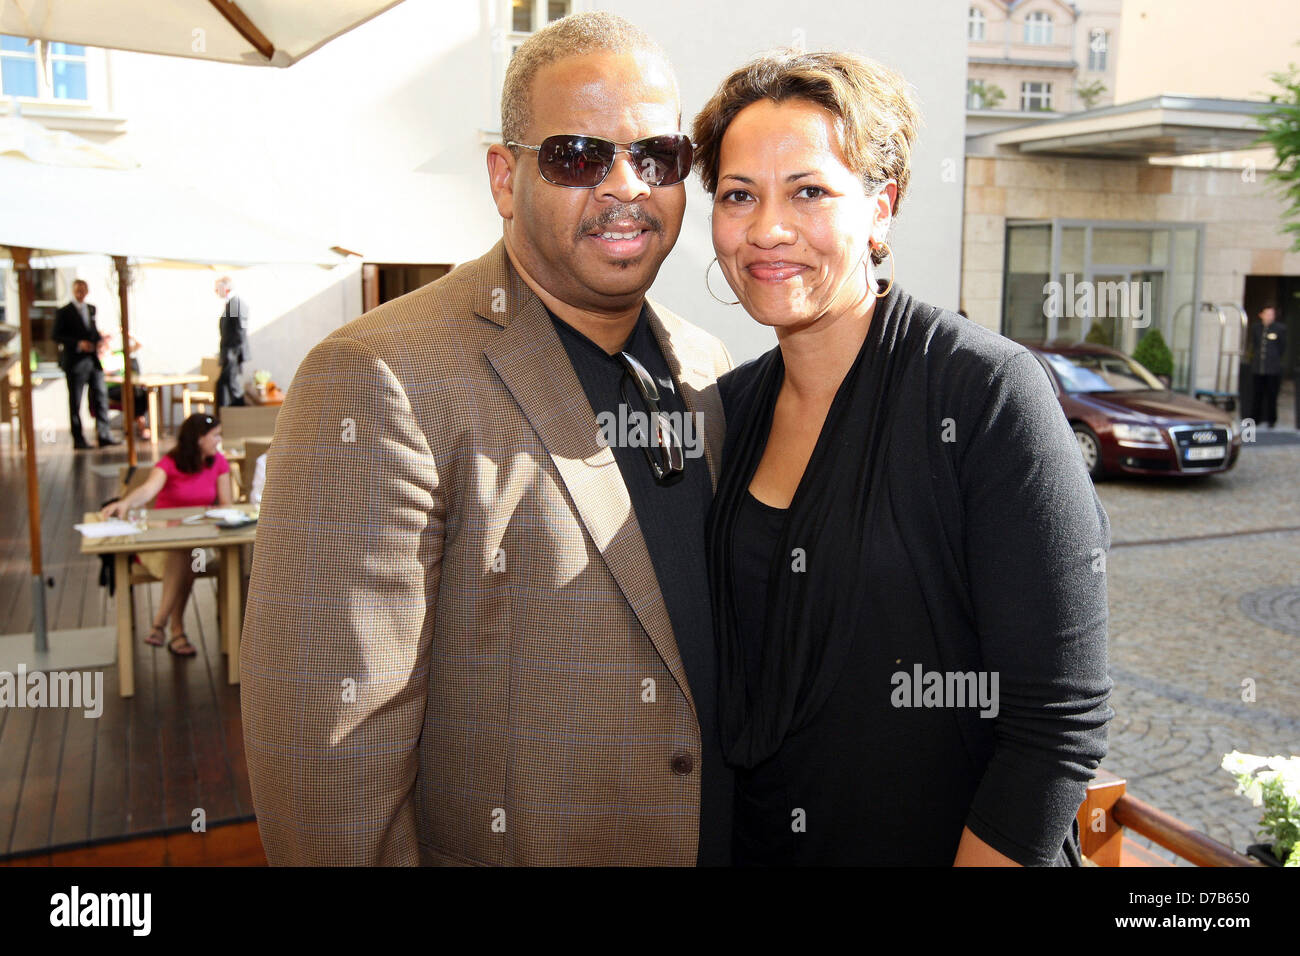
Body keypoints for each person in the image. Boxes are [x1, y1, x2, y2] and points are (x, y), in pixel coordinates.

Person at [241, 12, 734, 866]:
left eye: (658, 156)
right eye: (579, 157)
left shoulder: (707, 363)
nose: (627, 186)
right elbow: (327, 772)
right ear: (506, 178)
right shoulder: (379, 375)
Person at [693, 50, 1112, 866]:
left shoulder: (984, 394)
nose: (767, 228)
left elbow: (1056, 726)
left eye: (809, 191)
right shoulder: (730, 408)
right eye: (739, 195)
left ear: (880, 208)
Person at [100, 413, 232, 657]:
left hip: (199, 546)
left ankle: (160, 624)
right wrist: (126, 502)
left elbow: (227, 506)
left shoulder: (219, 463)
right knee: (186, 552)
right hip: (161, 548)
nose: (219, 440)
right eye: (215, 436)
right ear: (199, 438)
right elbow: (147, 490)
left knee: (191, 551)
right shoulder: (169, 463)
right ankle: (175, 629)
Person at [53, 279, 119, 449]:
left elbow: (93, 331)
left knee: (101, 396)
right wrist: (77, 343)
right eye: (77, 290)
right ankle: (78, 438)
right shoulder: (64, 312)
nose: (80, 293)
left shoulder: (90, 309)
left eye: (83, 289)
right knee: (75, 401)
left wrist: (98, 341)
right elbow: (56, 335)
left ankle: (104, 434)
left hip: (92, 361)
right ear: (73, 291)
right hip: (75, 362)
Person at [100, 332, 150, 440]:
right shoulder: (99, 356)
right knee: (132, 393)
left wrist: (127, 334)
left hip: (128, 386)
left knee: (142, 394)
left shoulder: (119, 353)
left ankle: (136, 422)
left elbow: (140, 344)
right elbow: (101, 372)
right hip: (112, 388)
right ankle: (141, 425)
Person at [1248, 304, 1286, 428]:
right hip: (1259, 367)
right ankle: (1255, 418)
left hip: (1272, 368)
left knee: (1272, 395)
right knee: (1257, 394)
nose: (1269, 316)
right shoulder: (1256, 328)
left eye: (1271, 314)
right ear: (1261, 315)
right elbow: (1255, 345)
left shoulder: (1279, 329)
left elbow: (1282, 348)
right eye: (1267, 314)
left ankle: (1271, 419)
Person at [215, 275, 250, 407]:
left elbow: (239, 329)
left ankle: (235, 417)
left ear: (225, 287)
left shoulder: (235, 303)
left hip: (232, 353)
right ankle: (224, 416)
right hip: (229, 353)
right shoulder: (231, 303)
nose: (216, 291)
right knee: (224, 385)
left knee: (231, 386)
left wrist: (233, 353)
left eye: (217, 288)